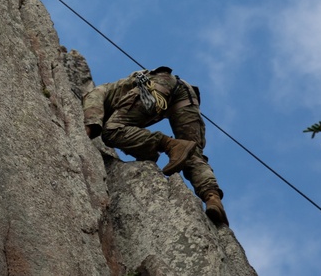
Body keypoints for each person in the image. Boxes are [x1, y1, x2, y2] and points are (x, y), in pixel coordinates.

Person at [82, 66, 228, 225]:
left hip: (156, 85)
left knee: (111, 132)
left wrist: (84, 133)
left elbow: (93, 112)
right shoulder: (119, 99)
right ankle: (212, 198)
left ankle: (169, 144)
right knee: (192, 152)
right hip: (186, 94)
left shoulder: (100, 91)